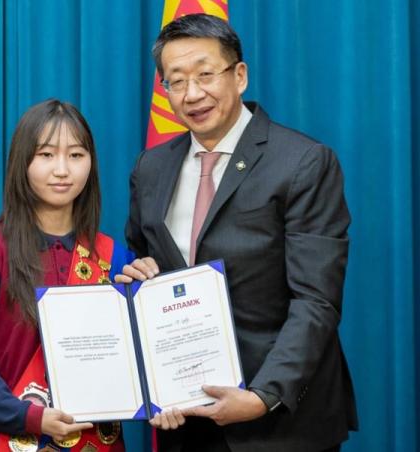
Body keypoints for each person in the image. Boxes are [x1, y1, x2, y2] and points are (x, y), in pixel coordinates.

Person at [117, 13, 358, 452]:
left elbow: (316, 300)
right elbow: (140, 262)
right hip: (186, 421)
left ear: (239, 75)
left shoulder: (303, 163)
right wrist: (138, 278)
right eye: (176, 81)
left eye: (205, 75)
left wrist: (263, 396)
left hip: (281, 424)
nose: (192, 94)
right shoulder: (150, 168)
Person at [0, 99, 134, 451]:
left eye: (75, 155)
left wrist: (148, 293)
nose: (62, 169)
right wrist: (30, 417)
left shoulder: (115, 258)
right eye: (46, 155)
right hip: (16, 438)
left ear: (91, 164)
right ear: (23, 162)